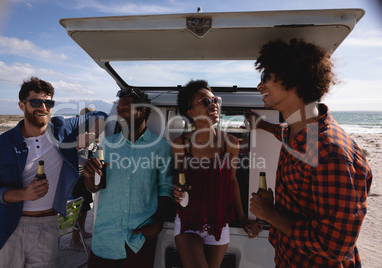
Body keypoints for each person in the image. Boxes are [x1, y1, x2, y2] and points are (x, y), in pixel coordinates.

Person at [245, 39, 373, 267]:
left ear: (291, 78)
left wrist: (269, 214)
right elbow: (282, 132)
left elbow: (334, 246)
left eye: (265, 76)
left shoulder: (331, 153)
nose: (259, 85)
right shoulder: (297, 133)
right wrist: (261, 124)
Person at [0, 77, 107, 268]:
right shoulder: (0, 144)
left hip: (49, 224)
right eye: (35, 102)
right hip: (10, 226)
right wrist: (24, 194)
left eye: (48, 102)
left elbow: (100, 115)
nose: (43, 107)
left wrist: (92, 134)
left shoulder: (62, 129)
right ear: (21, 106)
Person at [172, 80, 262, 268]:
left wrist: (243, 217)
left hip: (219, 223)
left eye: (215, 100)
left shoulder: (229, 143)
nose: (213, 104)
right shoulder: (180, 143)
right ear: (191, 113)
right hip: (188, 221)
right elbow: (178, 179)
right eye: (205, 101)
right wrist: (176, 190)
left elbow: (232, 181)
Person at [83, 88, 174, 268]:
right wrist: (89, 175)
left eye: (125, 109)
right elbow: (95, 186)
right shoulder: (107, 145)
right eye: (119, 110)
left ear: (143, 111)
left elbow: (166, 188)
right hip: (104, 239)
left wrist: (158, 224)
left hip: (138, 240)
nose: (120, 113)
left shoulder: (161, 148)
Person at [70, 107, 97, 250]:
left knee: (85, 207)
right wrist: (91, 163)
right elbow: (78, 158)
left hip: (84, 176)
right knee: (78, 209)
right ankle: (74, 239)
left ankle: (82, 232)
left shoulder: (88, 134)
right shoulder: (77, 135)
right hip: (76, 177)